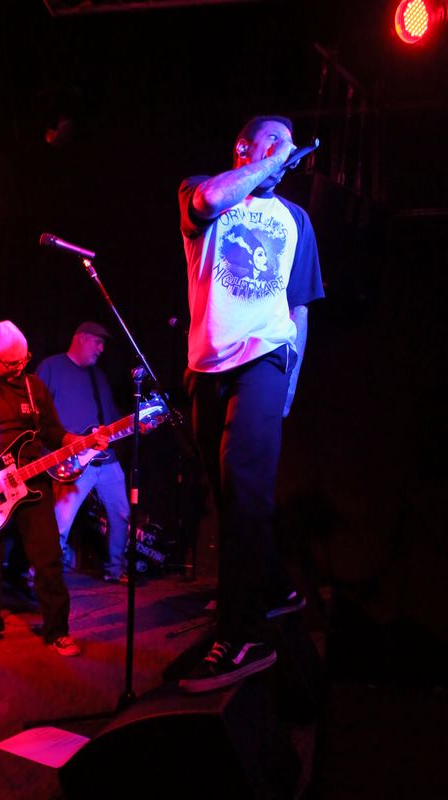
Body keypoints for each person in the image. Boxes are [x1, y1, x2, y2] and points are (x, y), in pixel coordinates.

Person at [177, 115, 324, 692]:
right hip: (206, 364)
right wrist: (268, 161)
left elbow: (300, 305)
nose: (286, 153)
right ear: (244, 147)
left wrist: (291, 380)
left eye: (290, 145)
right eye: (273, 142)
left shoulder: (297, 219)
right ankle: (279, 584)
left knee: (244, 485)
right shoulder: (201, 189)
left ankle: (243, 635)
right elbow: (212, 199)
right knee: (226, 493)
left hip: (265, 357)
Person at [0, 320, 108, 656]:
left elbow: (54, 433)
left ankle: (57, 631)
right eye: (12, 363)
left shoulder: (34, 387)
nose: (20, 367)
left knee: (48, 559)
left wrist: (82, 442)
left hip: (33, 482)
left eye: (24, 359)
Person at [36, 322, 130, 584]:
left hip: (106, 460)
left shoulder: (99, 377)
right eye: (98, 342)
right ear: (81, 339)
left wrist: (134, 426)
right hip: (71, 461)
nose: (101, 349)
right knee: (61, 522)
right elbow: (37, 416)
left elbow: (111, 421)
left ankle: (115, 569)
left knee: (121, 514)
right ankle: (44, 576)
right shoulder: (51, 368)